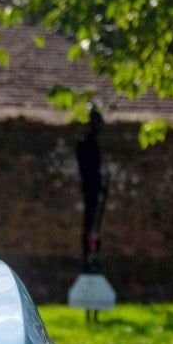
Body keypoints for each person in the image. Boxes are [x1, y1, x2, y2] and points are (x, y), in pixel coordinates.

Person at [75, 108, 108, 273]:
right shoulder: (86, 145)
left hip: (95, 190)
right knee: (90, 225)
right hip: (90, 190)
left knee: (94, 225)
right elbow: (88, 171)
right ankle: (88, 257)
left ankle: (92, 255)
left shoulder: (91, 144)